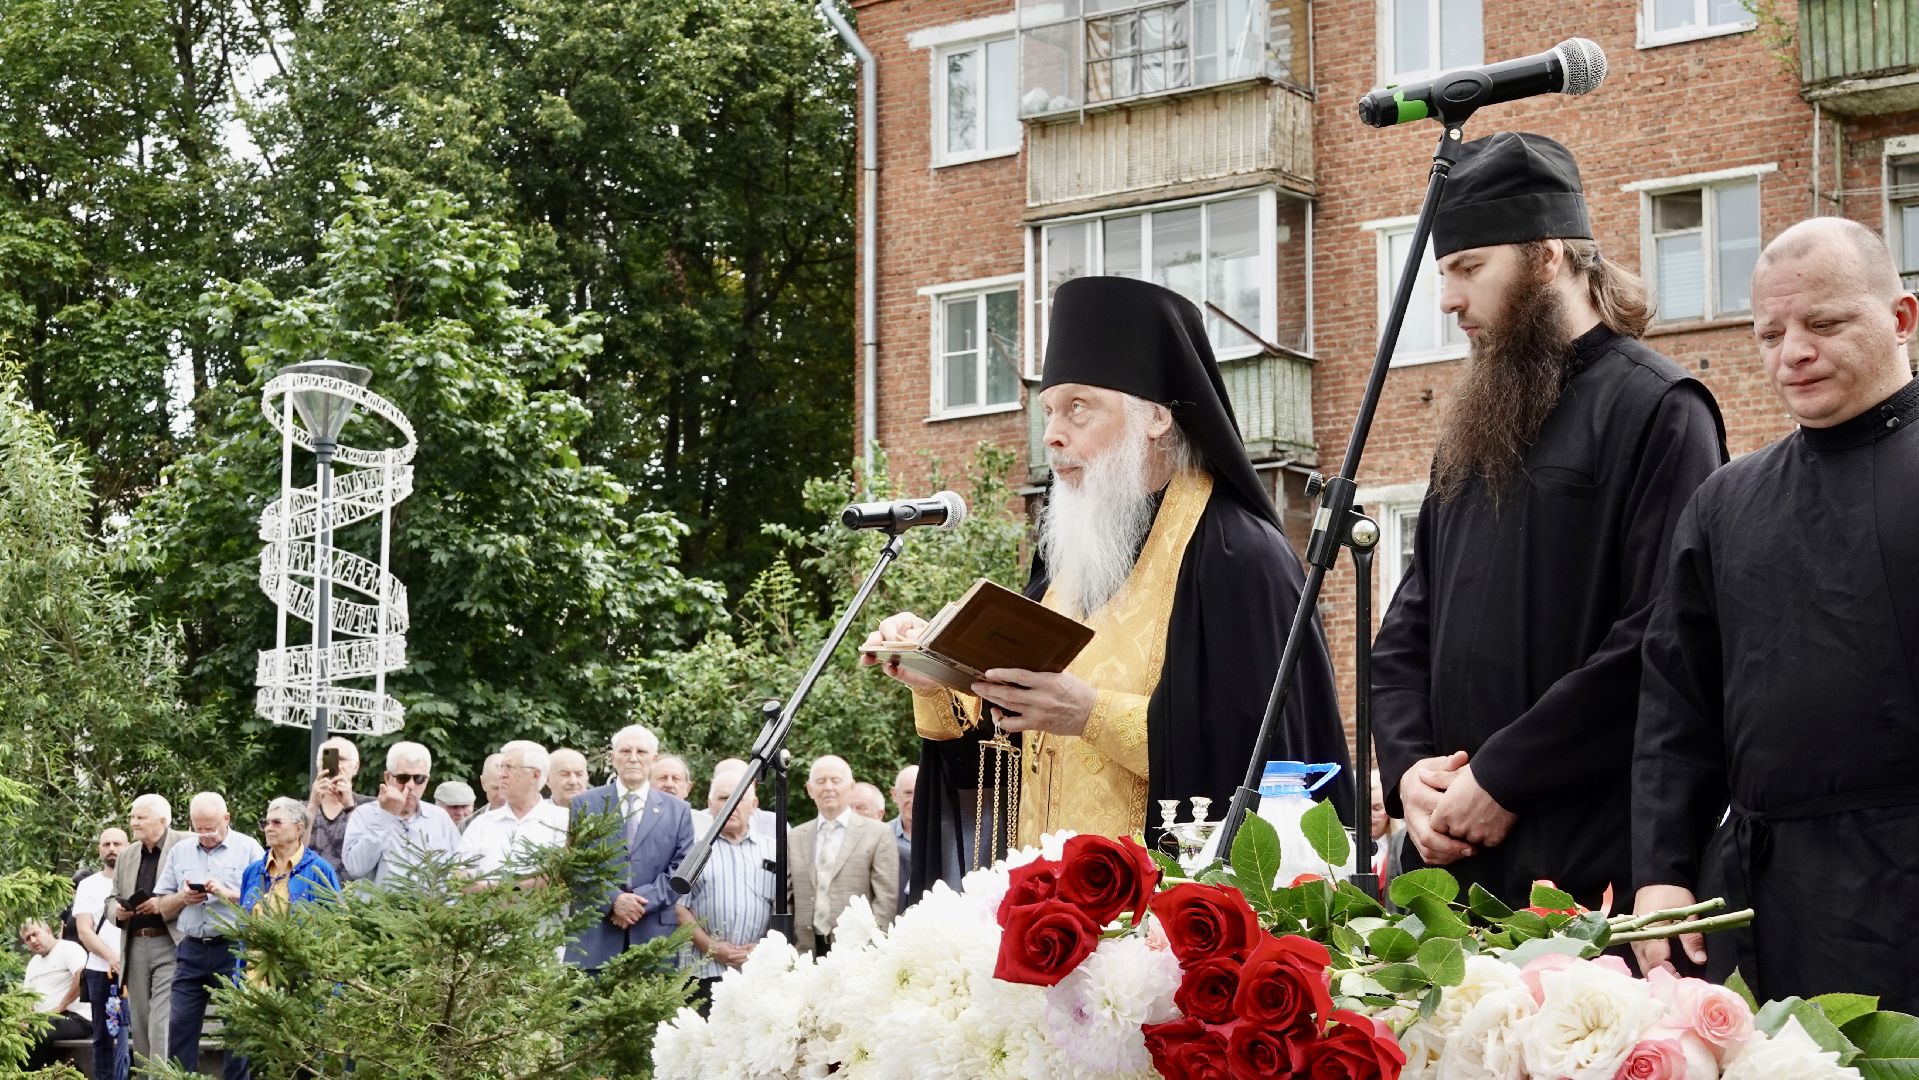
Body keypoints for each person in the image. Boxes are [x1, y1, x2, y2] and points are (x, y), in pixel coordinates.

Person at [863, 275, 1352, 896]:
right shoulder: (1067, 560)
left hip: (1174, 929)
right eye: (1047, 411)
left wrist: (1091, 714)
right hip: (1053, 917)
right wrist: (940, 679)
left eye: (1078, 408)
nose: (1052, 435)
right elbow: (1007, 762)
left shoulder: (1236, 556)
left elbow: (1266, 763)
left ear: (1154, 417)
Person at [1369, 131, 1727, 911]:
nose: (1447, 299)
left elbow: (1660, 639)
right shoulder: (1471, 422)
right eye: (1442, 273)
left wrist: (1503, 777)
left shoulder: (1658, 409)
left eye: (1468, 268)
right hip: (1446, 863)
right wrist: (1410, 777)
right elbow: (1407, 628)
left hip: (1581, 861)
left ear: (1546, 256)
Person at [1633, 217, 1919, 1009]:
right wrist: (1660, 872)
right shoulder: (1725, 502)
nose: (1791, 351)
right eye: (1769, 332)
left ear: (1900, 319)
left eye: (1821, 323)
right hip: (1758, 899)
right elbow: (1674, 707)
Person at [567, 724, 694, 970]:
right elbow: (576, 865)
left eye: (641, 752)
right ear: (613, 758)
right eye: (625, 751)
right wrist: (614, 900)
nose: (633, 758)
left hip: (654, 940)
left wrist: (637, 903)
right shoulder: (585, 804)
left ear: (654, 759)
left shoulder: (678, 811)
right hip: (595, 938)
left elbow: (682, 870)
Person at [155, 791, 262, 1078]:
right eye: (198, 828)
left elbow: (265, 900)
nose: (204, 835)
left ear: (226, 818)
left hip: (233, 948)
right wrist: (182, 898)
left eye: (211, 828)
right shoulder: (180, 851)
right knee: (179, 1025)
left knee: (237, 1027)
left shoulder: (249, 848)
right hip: (190, 948)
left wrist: (227, 894)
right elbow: (162, 907)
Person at [674, 769, 774, 1013]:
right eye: (723, 798)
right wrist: (711, 947)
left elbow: (786, 906)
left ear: (754, 805)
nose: (732, 806)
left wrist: (762, 948)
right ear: (709, 804)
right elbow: (678, 907)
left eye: (739, 799)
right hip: (703, 973)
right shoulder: (693, 850)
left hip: (758, 973)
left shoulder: (774, 850)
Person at [788, 756, 896, 955]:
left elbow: (886, 900)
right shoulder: (795, 837)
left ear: (851, 787)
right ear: (810, 790)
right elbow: (787, 898)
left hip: (858, 951)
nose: (828, 787)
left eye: (836, 780)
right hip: (806, 950)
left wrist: (872, 949)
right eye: (820, 781)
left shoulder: (878, 833)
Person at [110, 793, 187, 1066]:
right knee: (140, 1023)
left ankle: (162, 1076)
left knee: (160, 1021)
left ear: (162, 820)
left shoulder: (186, 844)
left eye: (140, 817)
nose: (133, 823)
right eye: (132, 817)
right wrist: (117, 911)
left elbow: (194, 889)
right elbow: (112, 897)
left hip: (170, 942)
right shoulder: (128, 854)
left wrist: (162, 904)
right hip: (135, 944)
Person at [342, 742, 464, 885]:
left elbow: (459, 869)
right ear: (388, 778)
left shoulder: (440, 818)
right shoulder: (365, 814)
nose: (410, 786)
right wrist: (385, 816)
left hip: (430, 906)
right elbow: (356, 868)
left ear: (427, 781)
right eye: (403, 778)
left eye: (419, 779)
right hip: (379, 906)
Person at [458, 740, 569, 882]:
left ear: (535, 775)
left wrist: (501, 893)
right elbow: (458, 872)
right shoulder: (481, 824)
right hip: (482, 903)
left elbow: (559, 875)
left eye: (509, 767)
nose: (501, 775)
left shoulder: (562, 821)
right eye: (501, 767)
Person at [73, 826, 129, 1080]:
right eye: (106, 844)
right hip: (100, 971)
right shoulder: (88, 885)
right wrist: (111, 957)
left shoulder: (139, 880)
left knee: (139, 1035)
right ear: (99, 849)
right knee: (104, 1037)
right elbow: (84, 931)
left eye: (117, 844)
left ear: (128, 846)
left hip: (138, 969)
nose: (112, 849)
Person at [239, 798, 341, 927]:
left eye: (277, 823)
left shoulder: (319, 870)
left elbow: (337, 922)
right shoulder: (252, 871)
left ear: (299, 828)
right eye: (265, 823)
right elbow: (242, 921)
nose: (268, 829)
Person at [20, 917, 91, 1069]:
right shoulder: (33, 964)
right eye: (27, 939)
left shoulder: (68, 948)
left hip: (76, 1017)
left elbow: (82, 977)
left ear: (48, 931)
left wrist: (60, 1006)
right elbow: (27, 998)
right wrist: (24, 1019)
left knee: (36, 1036)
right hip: (44, 1021)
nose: (33, 940)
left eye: (35, 934)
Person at [306, 736, 372, 879]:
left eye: (341, 759)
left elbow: (372, 848)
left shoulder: (370, 807)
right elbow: (293, 852)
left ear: (355, 767)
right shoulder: (302, 809)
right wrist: (312, 806)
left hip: (355, 896)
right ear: (318, 765)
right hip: (309, 894)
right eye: (327, 759)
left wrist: (349, 805)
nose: (335, 765)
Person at [887, 766, 915, 914]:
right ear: (894, 795)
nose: (914, 800)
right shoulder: (882, 838)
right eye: (908, 793)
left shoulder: (944, 839)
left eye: (921, 792)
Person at [476, 752, 508, 818]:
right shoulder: (469, 825)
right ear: (483, 783)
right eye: (495, 788)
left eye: (506, 788)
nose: (501, 796)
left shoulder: (533, 824)